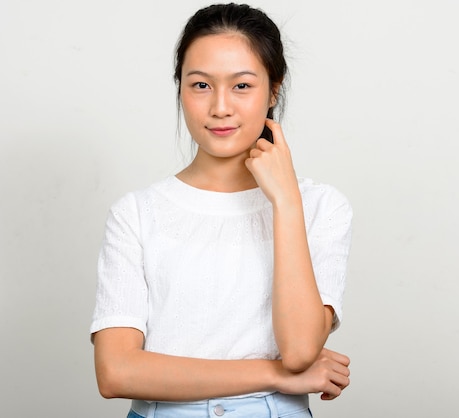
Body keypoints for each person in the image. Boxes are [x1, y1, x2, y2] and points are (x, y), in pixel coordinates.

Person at [90, 3, 353, 418]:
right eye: (200, 85)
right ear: (180, 88)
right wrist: (276, 374)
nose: (220, 107)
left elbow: (301, 350)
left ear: (273, 90)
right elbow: (116, 372)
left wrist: (285, 202)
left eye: (242, 86)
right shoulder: (137, 213)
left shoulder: (322, 206)